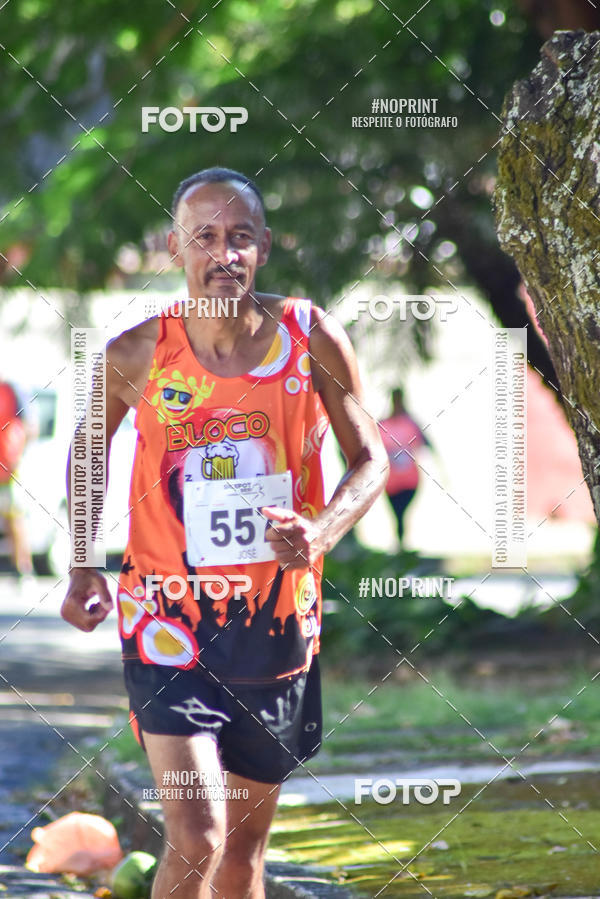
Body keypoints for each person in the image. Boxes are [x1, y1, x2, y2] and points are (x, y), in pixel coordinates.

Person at [61, 167, 389, 899]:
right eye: (204, 236)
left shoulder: (309, 336)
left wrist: (322, 527)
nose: (223, 253)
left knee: (242, 853)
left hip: (275, 627)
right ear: (174, 246)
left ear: (264, 247)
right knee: (199, 831)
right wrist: (83, 562)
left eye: (239, 237)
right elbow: (89, 452)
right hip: (167, 624)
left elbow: (372, 457)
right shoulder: (138, 352)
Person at [379, 388, 428, 545]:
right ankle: (400, 546)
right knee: (397, 515)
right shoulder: (383, 424)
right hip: (390, 482)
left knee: (402, 514)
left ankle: (402, 545)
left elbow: (427, 444)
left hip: (410, 480)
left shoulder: (412, 423)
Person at [0, 380, 33, 576]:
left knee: (14, 518)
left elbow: (31, 426)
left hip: (9, 467)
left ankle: (24, 569)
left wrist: (18, 456)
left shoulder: (12, 390)